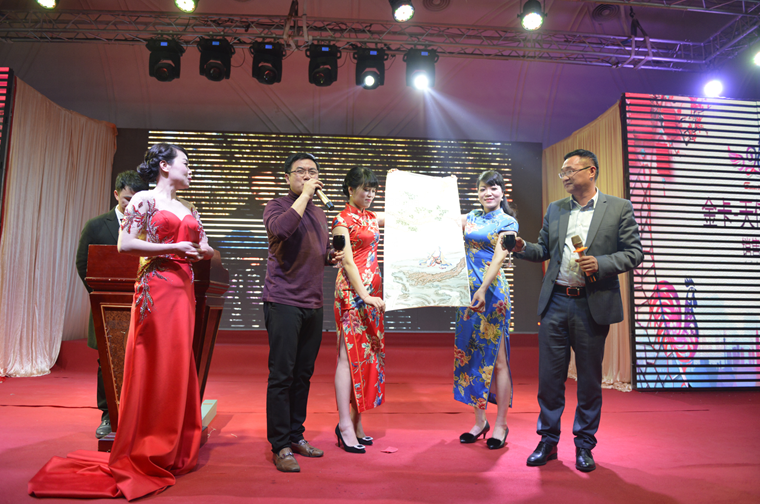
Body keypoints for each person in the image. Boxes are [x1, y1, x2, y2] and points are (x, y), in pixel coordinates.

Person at [29, 143, 215, 500]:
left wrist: (200, 251)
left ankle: (175, 443)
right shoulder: (144, 199)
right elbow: (125, 244)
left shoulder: (189, 207)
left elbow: (204, 245)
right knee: (154, 361)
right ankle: (148, 443)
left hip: (183, 290)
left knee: (178, 363)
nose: (190, 170)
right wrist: (172, 249)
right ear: (165, 166)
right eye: (186, 163)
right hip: (156, 288)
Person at [513, 149, 643, 472]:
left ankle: (584, 444)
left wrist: (601, 263)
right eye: (562, 172)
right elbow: (544, 249)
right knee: (550, 378)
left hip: (591, 303)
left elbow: (634, 253)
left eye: (570, 171)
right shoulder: (556, 209)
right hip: (556, 301)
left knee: (588, 379)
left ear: (591, 171)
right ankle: (548, 440)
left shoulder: (619, 208)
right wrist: (522, 247)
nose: (565, 177)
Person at [262, 152, 342, 473]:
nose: (308, 177)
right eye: (300, 172)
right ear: (287, 178)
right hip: (283, 300)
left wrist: (330, 256)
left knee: (303, 375)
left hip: (313, 303)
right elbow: (281, 232)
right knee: (282, 375)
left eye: (313, 172)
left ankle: (296, 435)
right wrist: (306, 196)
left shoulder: (319, 213)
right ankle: (280, 445)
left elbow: (314, 253)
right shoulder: (277, 206)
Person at [75, 170, 148, 439]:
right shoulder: (96, 225)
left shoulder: (150, 225)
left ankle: (140, 414)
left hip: (143, 305)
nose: (132, 206)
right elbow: (83, 263)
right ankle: (108, 415)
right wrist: (99, 297)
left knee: (143, 360)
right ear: (116, 194)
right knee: (107, 362)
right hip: (107, 306)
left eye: (138, 200)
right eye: (127, 199)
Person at [454, 170, 518, 451]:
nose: (487, 193)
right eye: (482, 188)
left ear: (502, 192)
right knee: (470, 357)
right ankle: (480, 422)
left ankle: (501, 424)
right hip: (467, 295)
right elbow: (435, 219)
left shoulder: (508, 221)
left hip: (492, 294)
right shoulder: (471, 218)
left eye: (493, 188)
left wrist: (482, 289)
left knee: (498, 360)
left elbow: (499, 258)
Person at [332, 167, 386, 454]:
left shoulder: (371, 217)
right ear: (350, 189)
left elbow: (404, 216)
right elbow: (348, 262)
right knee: (347, 357)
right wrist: (364, 295)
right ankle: (344, 425)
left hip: (372, 295)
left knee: (367, 358)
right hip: (353, 295)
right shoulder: (341, 220)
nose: (370, 194)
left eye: (373, 189)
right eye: (365, 188)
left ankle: (356, 422)